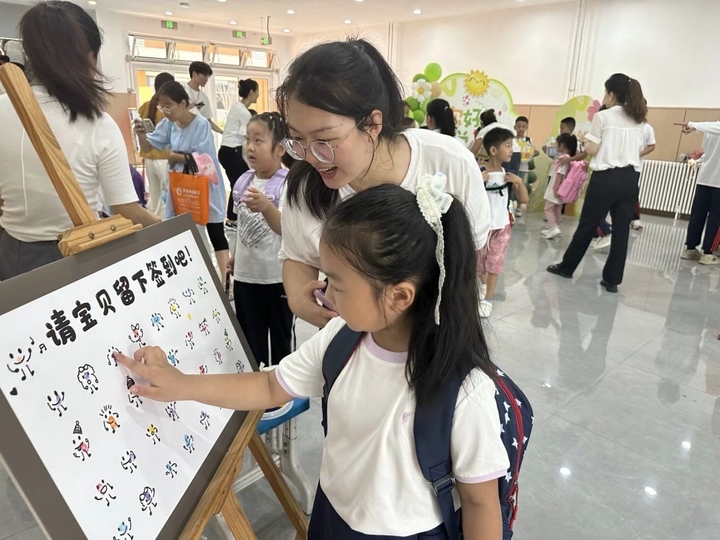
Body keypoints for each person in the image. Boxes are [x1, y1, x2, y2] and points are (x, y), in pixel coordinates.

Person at [116, 181, 510, 539]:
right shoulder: (342, 339)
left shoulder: (465, 389)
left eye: (336, 283)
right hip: (331, 515)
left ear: (399, 296)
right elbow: (269, 385)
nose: (323, 292)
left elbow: (480, 503)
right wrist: (181, 384)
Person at [277, 39, 491, 328]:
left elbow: (467, 263)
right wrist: (298, 300)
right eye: (299, 139)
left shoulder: (449, 162)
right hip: (343, 334)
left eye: (324, 140)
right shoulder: (304, 186)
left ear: (372, 124)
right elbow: (297, 255)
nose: (312, 158)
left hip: (433, 332)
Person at [0, 1, 160, 280]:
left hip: (11, 254)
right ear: (87, 57)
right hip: (79, 253)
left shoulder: (3, 108)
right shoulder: (96, 123)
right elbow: (127, 211)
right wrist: (171, 226)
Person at [547, 73, 647, 293]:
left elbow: (591, 150)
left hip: (606, 178)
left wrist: (588, 142)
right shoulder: (638, 118)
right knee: (622, 230)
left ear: (611, 94)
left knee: (588, 224)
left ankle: (567, 267)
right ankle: (612, 280)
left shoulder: (603, 117)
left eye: (605, 92)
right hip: (630, 178)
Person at [134, 81, 229, 284]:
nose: (165, 111)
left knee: (214, 230)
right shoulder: (168, 125)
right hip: (182, 186)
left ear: (183, 103)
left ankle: (225, 279)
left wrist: (172, 155)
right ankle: (198, 276)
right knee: (187, 229)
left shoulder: (201, 124)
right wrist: (142, 135)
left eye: (169, 105)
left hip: (204, 185)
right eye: (162, 106)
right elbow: (150, 147)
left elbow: (202, 160)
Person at [227, 112, 293, 367]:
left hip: (276, 279)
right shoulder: (244, 181)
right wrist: (235, 255)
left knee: (280, 340)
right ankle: (257, 394)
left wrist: (266, 206)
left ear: (279, 149)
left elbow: (285, 229)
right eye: (247, 140)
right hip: (246, 277)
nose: (250, 148)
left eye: (258, 141)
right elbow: (240, 226)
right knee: (250, 341)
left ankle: (283, 397)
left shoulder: (288, 184)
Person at [478, 128, 529, 318]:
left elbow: (524, 200)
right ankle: (483, 285)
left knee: (494, 263)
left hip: (501, 226)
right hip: (481, 227)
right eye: (508, 146)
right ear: (493, 150)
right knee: (479, 264)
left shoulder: (509, 176)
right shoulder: (479, 172)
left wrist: (519, 183)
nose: (511, 150)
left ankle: (488, 299)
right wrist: (477, 181)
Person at [679, 119, 720, 265]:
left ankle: (690, 248)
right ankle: (708, 252)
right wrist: (693, 125)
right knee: (715, 217)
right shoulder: (712, 127)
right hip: (715, 181)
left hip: (705, 178)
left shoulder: (711, 128)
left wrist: (694, 126)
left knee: (698, 214)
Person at [219, 78, 259, 225]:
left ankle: (234, 217)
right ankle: (232, 219)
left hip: (227, 151)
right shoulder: (244, 113)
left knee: (240, 183)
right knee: (239, 184)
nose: (258, 96)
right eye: (257, 92)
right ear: (251, 92)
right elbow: (247, 138)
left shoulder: (237, 107)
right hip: (231, 152)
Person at [138, 71, 175, 216]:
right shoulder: (167, 110)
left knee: (154, 200)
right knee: (165, 200)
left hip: (149, 158)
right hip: (163, 158)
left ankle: (154, 227)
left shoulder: (145, 106)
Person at [542, 133, 577, 240]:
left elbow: (560, 174)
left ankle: (553, 227)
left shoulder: (562, 158)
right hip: (563, 189)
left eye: (557, 144)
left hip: (556, 187)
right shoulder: (569, 158)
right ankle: (555, 227)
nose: (556, 146)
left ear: (562, 145)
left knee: (548, 208)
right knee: (557, 209)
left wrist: (556, 188)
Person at [183, 61, 223, 134]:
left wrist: (222, 132)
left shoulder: (204, 98)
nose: (206, 79)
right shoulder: (181, 89)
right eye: (205, 75)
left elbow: (208, 121)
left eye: (208, 77)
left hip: (197, 134)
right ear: (194, 74)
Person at [632, 115, 657, 230]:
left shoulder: (647, 128)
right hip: (618, 164)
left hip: (635, 166)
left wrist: (638, 154)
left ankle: (634, 219)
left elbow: (652, 146)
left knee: (632, 192)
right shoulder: (626, 124)